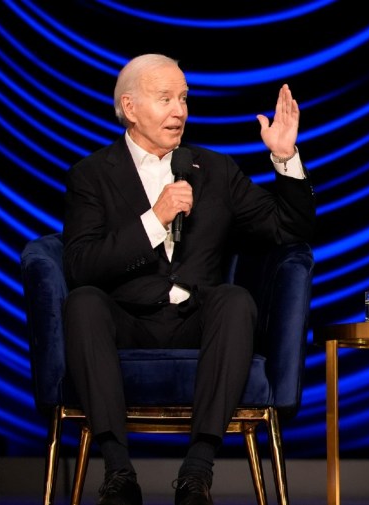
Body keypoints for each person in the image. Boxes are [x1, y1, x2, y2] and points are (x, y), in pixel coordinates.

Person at [62, 54, 315, 505]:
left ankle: (197, 472)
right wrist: (154, 219)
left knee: (235, 301)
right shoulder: (92, 175)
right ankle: (119, 473)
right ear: (130, 106)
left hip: (198, 322)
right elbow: (81, 264)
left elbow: (288, 230)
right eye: (165, 99)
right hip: (126, 321)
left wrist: (284, 156)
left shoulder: (215, 170)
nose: (179, 110)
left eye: (183, 98)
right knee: (82, 301)